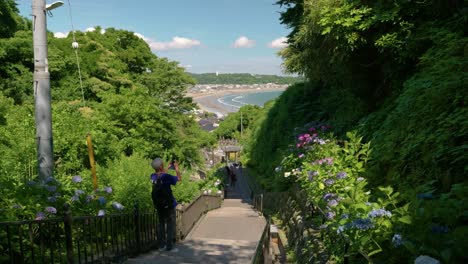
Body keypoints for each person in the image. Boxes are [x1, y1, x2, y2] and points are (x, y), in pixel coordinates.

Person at [151, 158, 181, 252]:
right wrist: (176, 168)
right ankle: (169, 247)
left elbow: (161, 176)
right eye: (162, 164)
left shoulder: (152, 177)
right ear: (161, 166)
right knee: (170, 224)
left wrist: (166, 168)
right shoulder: (167, 176)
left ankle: (161, 245)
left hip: (159, 205)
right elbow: (179, 179)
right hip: (168, 204)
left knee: (160, 224)